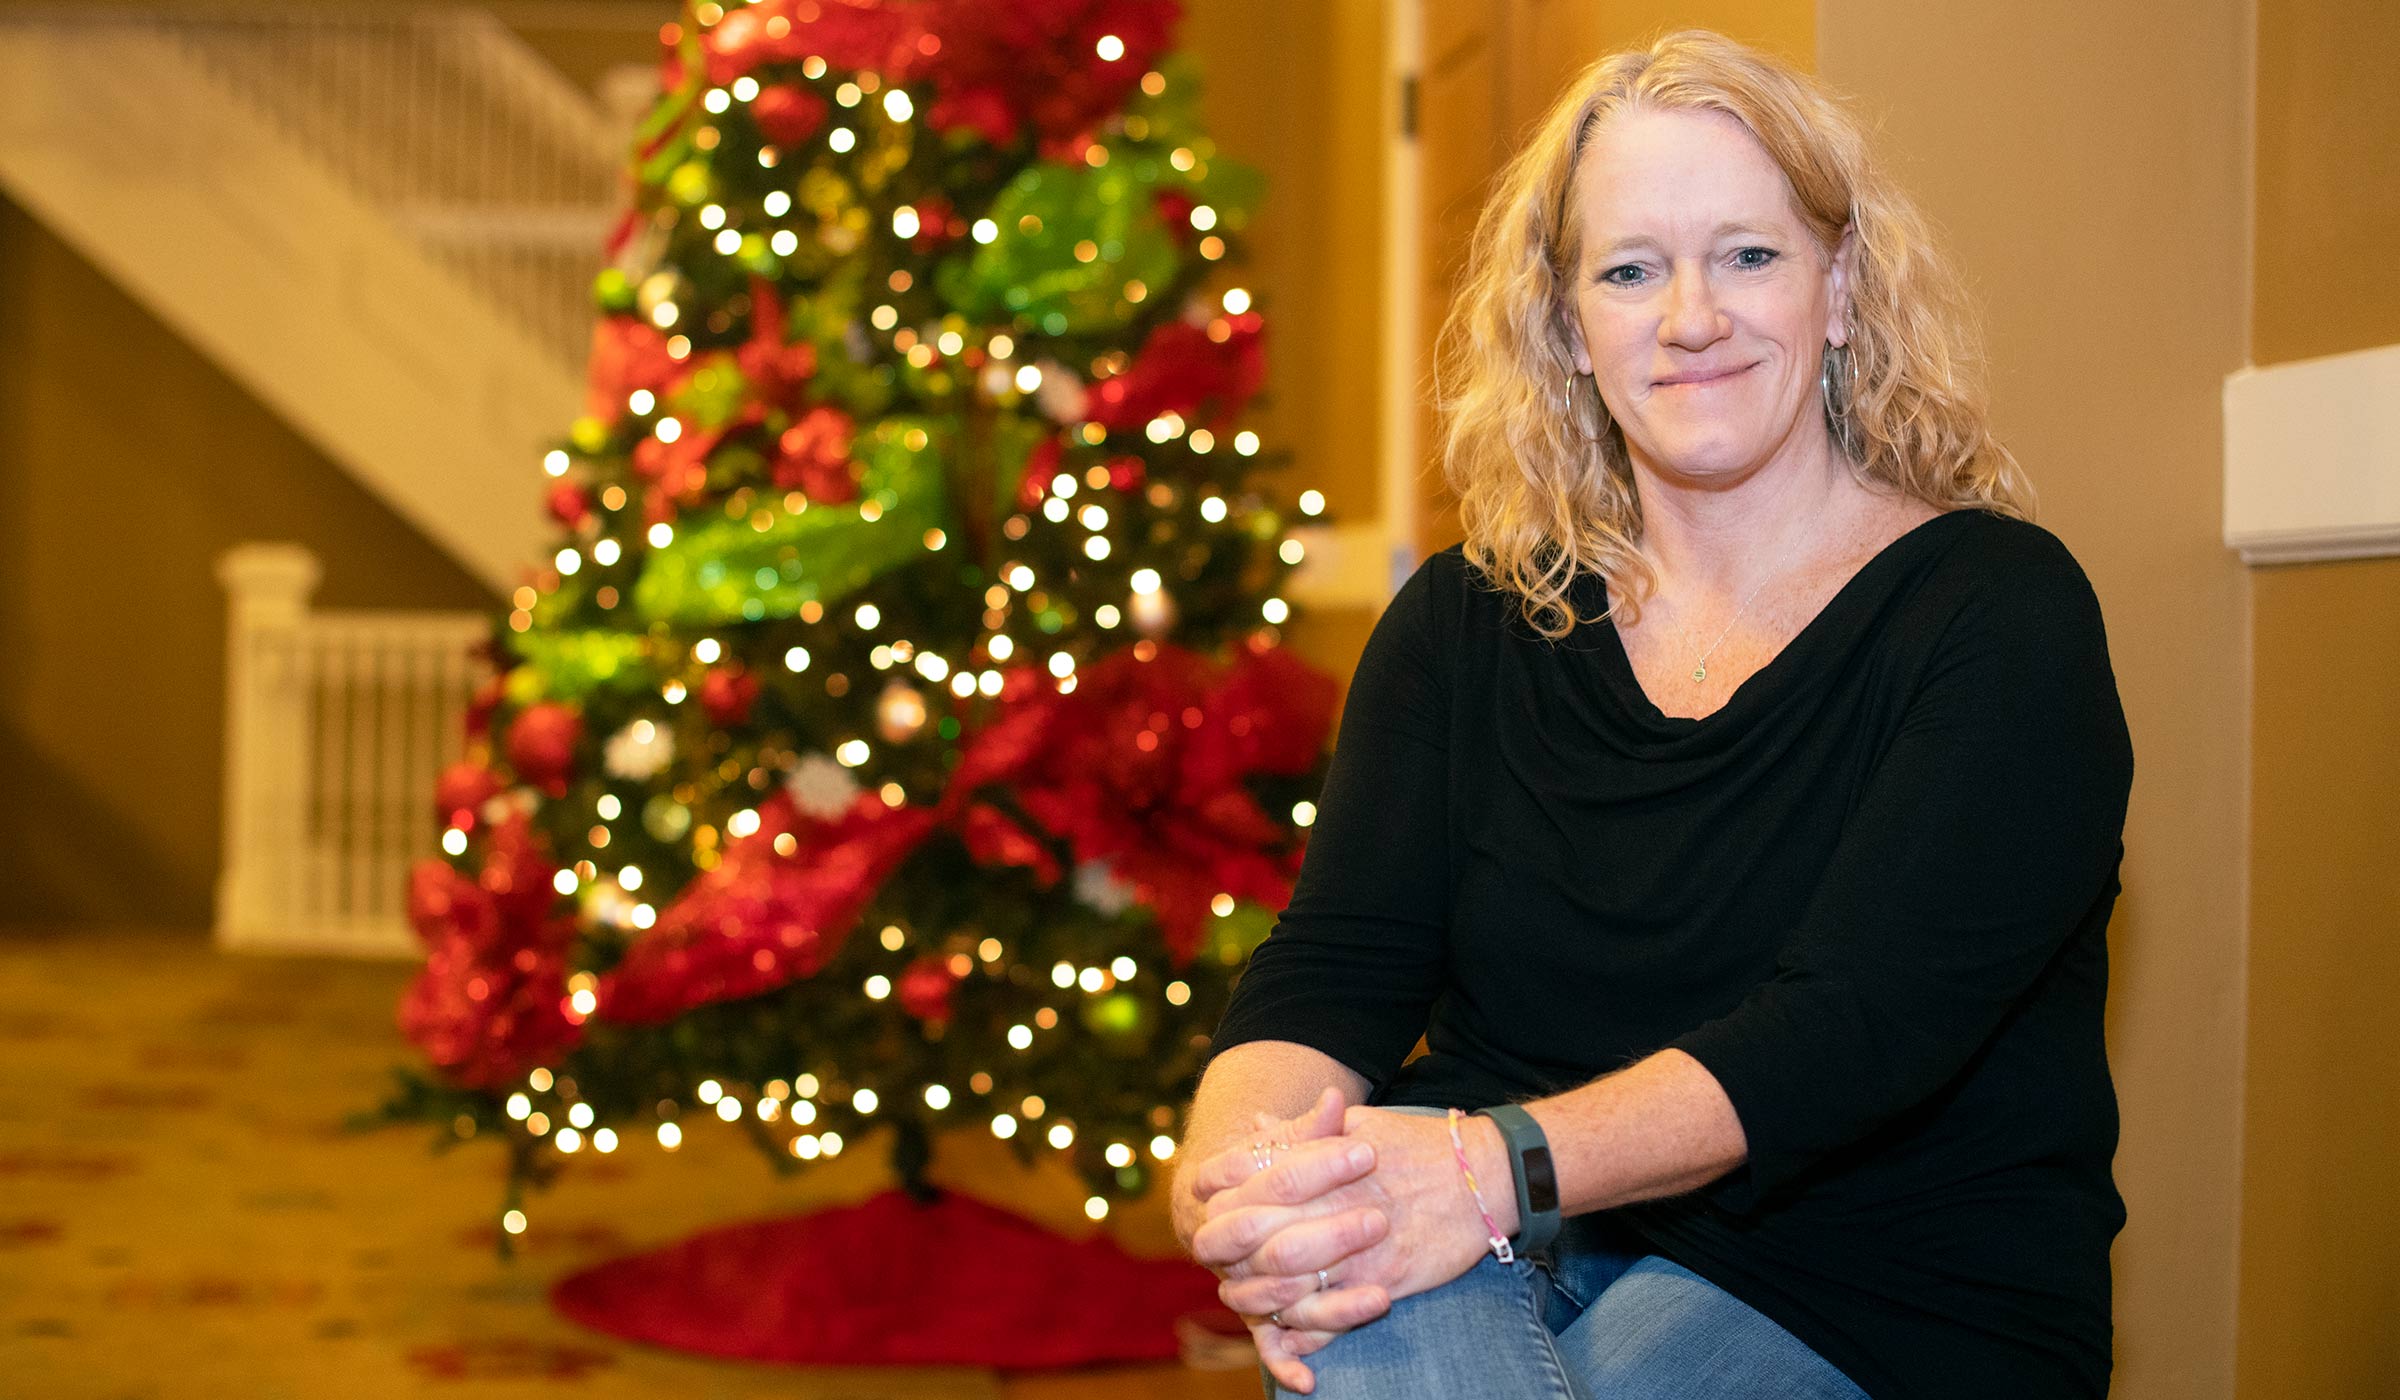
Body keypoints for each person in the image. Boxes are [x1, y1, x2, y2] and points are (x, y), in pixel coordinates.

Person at [1169, 29, 2134, 1400]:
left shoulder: (1995, 616)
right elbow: (1336, 967)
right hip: (1492, 1200)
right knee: (1360, 1308)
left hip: (1870, 1274)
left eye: (1748, 255)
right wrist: (1241, 1194)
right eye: (1631, 270)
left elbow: (1844, 1035)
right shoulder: (1463, 621)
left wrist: (1493, 1169)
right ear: (1569, 326)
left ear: (1841, 289)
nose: (1692, 318)